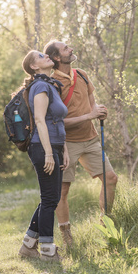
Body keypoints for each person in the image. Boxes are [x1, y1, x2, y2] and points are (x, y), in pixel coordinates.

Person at [43, 40, 118, 246]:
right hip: (66, 143)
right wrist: (90, 115)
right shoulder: (51, 85)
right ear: (57, 58)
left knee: (111, 178)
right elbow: (56, 121)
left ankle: (106, 224)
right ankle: (66, 234)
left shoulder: (82, 74)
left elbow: (92, 101)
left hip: (91, 138)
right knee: (63, 191)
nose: (71, 49)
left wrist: (99, 111)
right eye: (66, 48)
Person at [18, 50, 69, 262]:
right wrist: (49, 153)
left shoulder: (51, 85)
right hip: (42, 147)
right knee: (49, 199)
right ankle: (48, 250)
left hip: (54, 146)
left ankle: (29, 245)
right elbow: (39, 120)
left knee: (52, 197)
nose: (45, 55)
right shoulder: (39, 86)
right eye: (40, 56)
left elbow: (56, 120)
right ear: (35, 67)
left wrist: (63, 149)